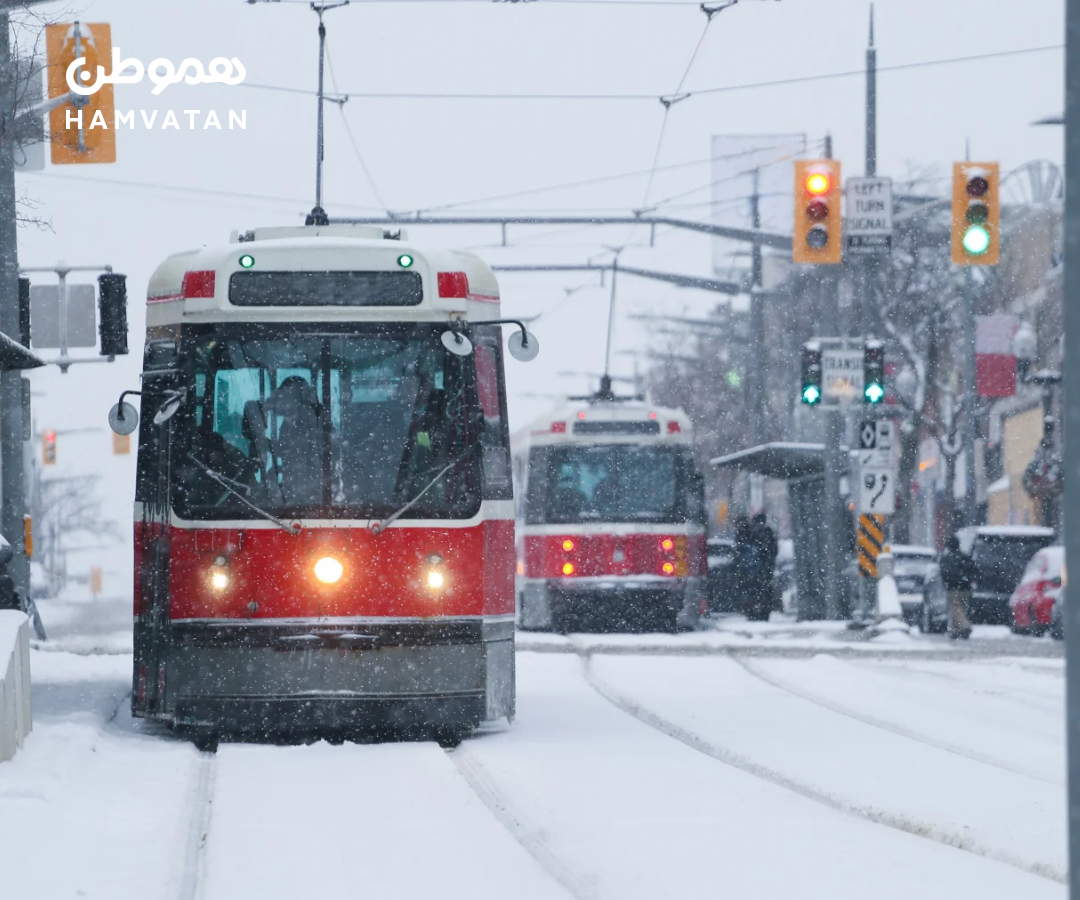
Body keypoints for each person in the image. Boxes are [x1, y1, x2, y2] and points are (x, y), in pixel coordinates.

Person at [939, 535, 974, 640]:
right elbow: (973, 570)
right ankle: (956, 631)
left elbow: (944, 573)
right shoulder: (964, 557)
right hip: (966, 587)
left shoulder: (947, 558)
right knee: (962, 608)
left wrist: (948, 582)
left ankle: (964, 626)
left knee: (956, 609)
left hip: (954, 587)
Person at [746, 513, 779, 621]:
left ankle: (752, 612)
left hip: (753, 568)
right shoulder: (768, 532)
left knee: (753, 590)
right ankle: (764, 612)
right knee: (765, 590)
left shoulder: (750, 532)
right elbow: (774, 550)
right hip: (765, 568)